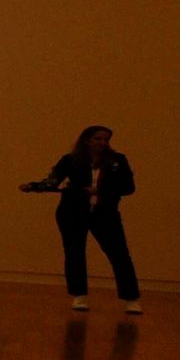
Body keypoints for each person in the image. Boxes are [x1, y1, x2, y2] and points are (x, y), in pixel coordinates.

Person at [23, 125, 138, 312]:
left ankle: (131, 298)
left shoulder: (118, 161)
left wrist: (101, 191)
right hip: (72, 212)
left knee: (119, 254)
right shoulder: (70, 160)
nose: (102, 143)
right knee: (75, 253)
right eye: (98, 139)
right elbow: (54, 180)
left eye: (105, 139)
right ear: (87, 140)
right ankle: (79, 296)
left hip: (105, 213)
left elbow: (128, 187)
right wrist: (35, 186)